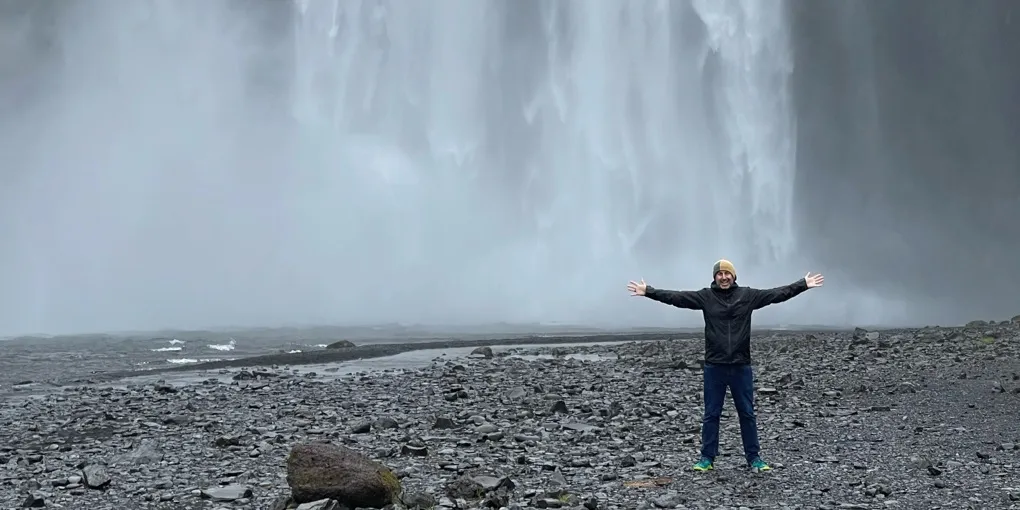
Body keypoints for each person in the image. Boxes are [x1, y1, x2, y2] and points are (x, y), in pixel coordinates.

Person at [626, 259, 824, 472]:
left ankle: (754, 458)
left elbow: (777, 294)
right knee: (711, 414)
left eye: (727, 273)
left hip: (741, 366)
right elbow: (677, 297)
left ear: (734, 276)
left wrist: (802, 284)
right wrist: (649, 291)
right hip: (715, 366)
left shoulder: (747, 296)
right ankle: (706, 458)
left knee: (747, 413)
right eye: (719, 274)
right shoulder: (705, 297)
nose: (723, 277)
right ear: (714, 277)